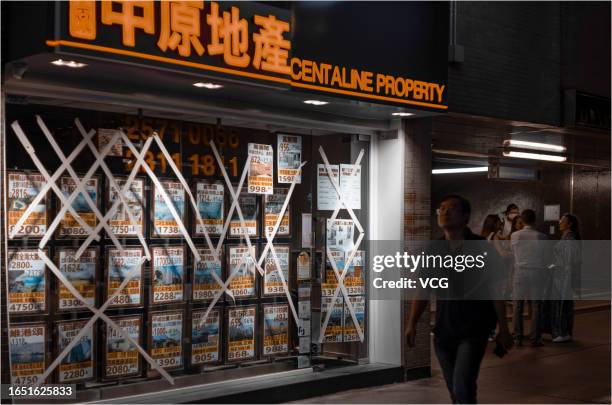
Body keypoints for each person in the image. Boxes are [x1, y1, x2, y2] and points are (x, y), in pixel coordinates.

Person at [406, 195, 513, 404]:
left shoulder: (481, 247)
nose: (445, 212)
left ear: (465, 216)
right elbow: (423, 289)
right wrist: (412, 323)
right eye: (442, 208)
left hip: (473, 331)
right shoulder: (433, 249)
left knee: (463, 386)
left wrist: (504, 328)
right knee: (455, 390)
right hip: (443, 333)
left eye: (452, 208)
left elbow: (494, 290)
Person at [511, 209, 548, 347]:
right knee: (536, 306)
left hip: (520, 271)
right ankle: (535, 338)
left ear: (522, 220)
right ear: (534, 220)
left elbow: (514, 254)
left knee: (518, 306)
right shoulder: (542, 237)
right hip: (537, 272)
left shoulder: (515, 235)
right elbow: (545, 256)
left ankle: (517, 337)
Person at [549, 213, 582, 343]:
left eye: (563, 220)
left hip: (563, 276)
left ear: (569, 224)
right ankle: (564, 331)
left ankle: (564, 332)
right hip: (561, 274)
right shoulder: (567, 238)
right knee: (563, 304)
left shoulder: (569, 240)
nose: (560, 222)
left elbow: (568, 262)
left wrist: (557, 268)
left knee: (563, 304)